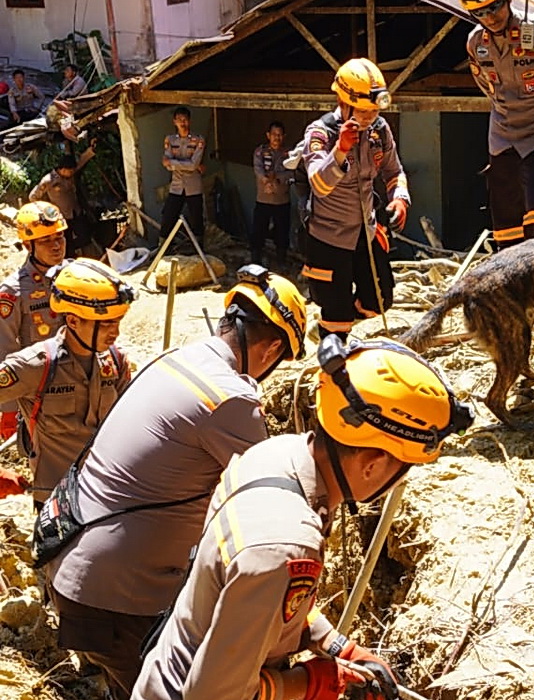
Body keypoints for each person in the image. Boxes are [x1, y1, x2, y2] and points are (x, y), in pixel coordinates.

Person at [132, 334, 474, 700]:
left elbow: (265, 606)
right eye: (405, 467)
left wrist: (337, 645)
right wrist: (312, 682)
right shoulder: (286, 546)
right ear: (373, 465)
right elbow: (213, 695)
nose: (401, 480)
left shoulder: (279, 457)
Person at [45, 265, 306, 700]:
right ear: (274, 348)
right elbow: (273, 510)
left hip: (76, 571)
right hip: (118, 598)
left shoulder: (174, 359)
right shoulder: (231, 398)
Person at [0, 258, 132, 506]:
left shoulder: (116, 362)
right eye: (106, 324)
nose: (115, 332)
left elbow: (131, 427)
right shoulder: (35, 366)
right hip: (57, 505)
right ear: (72, 321)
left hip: (107, 496)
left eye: (118, 322)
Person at [301, 58, 411, 342]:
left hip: (367, 232)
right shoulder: (320, 133)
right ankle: (332, 336)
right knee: (337, 321)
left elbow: (394, 171)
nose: (369, 117)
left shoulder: (379, 130)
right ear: (343, 101)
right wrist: (340, 150)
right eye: (363, 111)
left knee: (379, 301)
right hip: (329, 237)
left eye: (374, 111)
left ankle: (334, 322)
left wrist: (399, 198)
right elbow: (319, 185)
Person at [462, 0, 534, 249]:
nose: (490, 18)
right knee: (506, 227)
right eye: (480, 13)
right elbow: (485, 85)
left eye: (494, 8)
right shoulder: (475, 43)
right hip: (502, 136)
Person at [0, 202, 68, 442]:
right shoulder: (14, 291)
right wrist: (8, 408)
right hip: (41, 392)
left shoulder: (76, 276)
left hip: (80, 382)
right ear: (29, 245)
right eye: (46, 240)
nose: (56, 245)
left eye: (59, 237)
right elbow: (4, 348)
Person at [30, 145, 97, 258]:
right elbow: (33, 197)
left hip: (76, 212)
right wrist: (46, 211)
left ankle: (76, 251)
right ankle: (69, 258)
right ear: (62, 169)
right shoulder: (48, 180)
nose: (71, 173)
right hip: (61, 216)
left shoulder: (70, 174)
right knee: (66, 240)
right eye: (69, 171)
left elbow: (81, 161)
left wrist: (91, 150)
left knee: (85, 235)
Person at [158, 106, 206, 250]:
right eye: (179, 119)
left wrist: (173, 163)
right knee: (168, 216)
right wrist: (188, 165)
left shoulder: (198, 140)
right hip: (176, 186)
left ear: (189, 121)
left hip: (194, 186)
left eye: (185, 119)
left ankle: (199, 249)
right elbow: (167, 164)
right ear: (174, 122)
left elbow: (193, 164)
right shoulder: (170, 140)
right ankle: (163, 248)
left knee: (196, 219)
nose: (182, 122)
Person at [252, 121, 292, 268]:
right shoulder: (260, 152)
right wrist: (266, 181)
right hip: (263, 199)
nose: (277, 137)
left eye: (280, 135)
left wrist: (277, 178)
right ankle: (256, 260)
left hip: (282, 200)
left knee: (282, 232)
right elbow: (258, 169)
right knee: (258, 230)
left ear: (284, 136)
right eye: (274, 134)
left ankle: (281, 261)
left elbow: (292, 172)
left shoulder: (289, 154)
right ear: (268, 135)